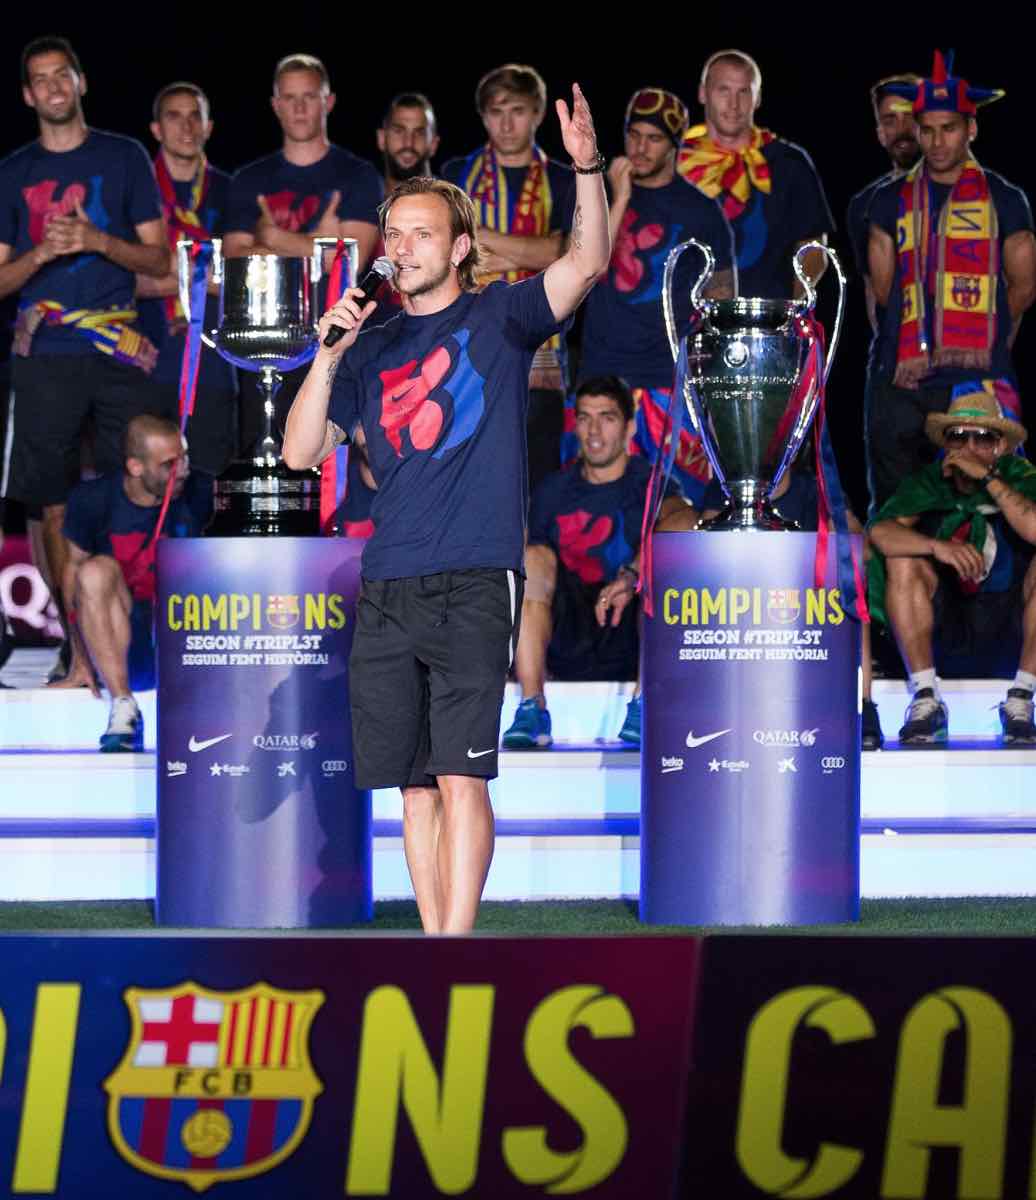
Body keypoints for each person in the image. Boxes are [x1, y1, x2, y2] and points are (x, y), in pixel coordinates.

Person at [282, 83, 610, 934]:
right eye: (393, 234)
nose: (402, 247)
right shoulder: (369, 345)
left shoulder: (500, 316)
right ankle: (434, 949)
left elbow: (585, 265)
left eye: (421, 233)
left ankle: (457, 950)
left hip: (474, 576)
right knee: (413, 787)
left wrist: (586, 169)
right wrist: (326, 356)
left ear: (461, 247)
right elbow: (300, 453)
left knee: (463, 775)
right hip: (390, 581)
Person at [0, 36, 170, 686]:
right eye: (40, 79)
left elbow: (159, 258)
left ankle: (134, 643)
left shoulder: (123, 156)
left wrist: (97, 239)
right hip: (46, 353)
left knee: (141, 490)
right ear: (28, 94)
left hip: (118, 346)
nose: (53, 87)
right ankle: (78, 655)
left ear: (80, 82)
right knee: (50, 507)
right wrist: (43, 252)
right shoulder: (13, 171)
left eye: (62, 75)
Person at [866, 52, 1036, 513]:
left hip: (975, 381)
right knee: (897, 507)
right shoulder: (887, 201)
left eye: (949, 129)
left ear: (971, 129)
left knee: (985, 506)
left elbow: (1023, 288)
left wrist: (983, 342)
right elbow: (883, 291)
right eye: (927, 130)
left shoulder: (1005, 199)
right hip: (902, 381)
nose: (937, 142)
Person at [502, 375, 693, 750]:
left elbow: (685, 521)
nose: (594, 431)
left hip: (630, 627)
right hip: (568, 630)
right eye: (585, 418)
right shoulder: (553, 490)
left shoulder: (650, 483)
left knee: (667, 558)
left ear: (630, 427)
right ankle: (532, 707)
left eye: (607, 418)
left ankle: (643, 703)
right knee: (530, 556)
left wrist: (633, 574)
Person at [577, 86, 735, 504]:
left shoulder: (701, 211)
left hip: (668, 380)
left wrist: (711, 380)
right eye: (633, 135)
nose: (640, 148)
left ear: (674, 145)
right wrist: (621, 197)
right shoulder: (598, 194)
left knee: (679, 505)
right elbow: (586, 267)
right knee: (601, 506)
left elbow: (721, 301)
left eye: (654, 139)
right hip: (603, 375)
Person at [224, 54, 384, 449]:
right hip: (264, 346)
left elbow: (349, 260)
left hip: (336, 343)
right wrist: (318, 244)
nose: (299, 108)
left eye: (309, 97)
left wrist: (272, 240)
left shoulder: (359, 175)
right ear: (275, 105)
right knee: (265, 456)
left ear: (328, 102)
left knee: (331, 467)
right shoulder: (248, 179)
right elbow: (234, 258)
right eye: (289, 98)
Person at [868, 384, 1036, 744]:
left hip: (1011, 628)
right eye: (958, 437)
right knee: (902, 557)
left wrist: (987, 479)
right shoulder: (930, 481)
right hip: (943, 627)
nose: (969, 448)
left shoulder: (1021, 476)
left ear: (1000, 446)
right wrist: (935, 546)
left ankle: (1021, 700)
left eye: (982, 438)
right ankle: (926, 699)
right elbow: (880, 533)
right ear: (946, 445)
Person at [441, 64, 575, 491]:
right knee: (472, 482)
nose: (506, 123)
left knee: (536, 483)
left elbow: (561, 254)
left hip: (541, 360)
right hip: (469, 353)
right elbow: (446, 258)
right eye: (496, 112)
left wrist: (482, 236)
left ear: (537, 113)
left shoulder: (562, 178)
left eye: (517, 111)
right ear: (483, 117)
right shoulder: (456, 173)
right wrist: (532, 250)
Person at [699, 463, 883, 748]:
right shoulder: (725, 487)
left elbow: (861, 548)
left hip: (806, 602)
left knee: (852, 581)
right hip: (746, 603)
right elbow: (704, 550)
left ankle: (863, 704)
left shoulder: (818, 487)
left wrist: (834, 540)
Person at [62, 414, 212, 751]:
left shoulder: (203, 493)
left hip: (187, 640)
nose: (182, 471)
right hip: (123, 641)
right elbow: (72, 579)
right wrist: (80, 657)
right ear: (135, 467)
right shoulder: (92, 500)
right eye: (169, 464)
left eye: (184, 459)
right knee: (93, 571)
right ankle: (124, 708)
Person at [136, 81, 236, 478]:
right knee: (144, 485)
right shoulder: (134, 188)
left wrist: (167, 274)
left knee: (209, 484)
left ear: (209, 127)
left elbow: (244, 279)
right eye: (174, 116)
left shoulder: (231, 191)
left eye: (196, 116)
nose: (187, 126)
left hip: (212, 362)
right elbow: (119, 280)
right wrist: (201, 277)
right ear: (156, 129)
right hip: (143, 357)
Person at [678, 49, 834, 299]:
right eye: (723, 90)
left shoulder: (789, 162)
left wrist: (787, 311)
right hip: (686, 319)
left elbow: (814, 251)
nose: (733, 104)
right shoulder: (678, 162)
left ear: (758, 98)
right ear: (702, 93)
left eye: (744, 91)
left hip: (769, 317)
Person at [378, 92, 440, 193]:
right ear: (381, 139)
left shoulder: (453, 200)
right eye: (398, 131)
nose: (408, 143)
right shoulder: (360, 198)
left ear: (434, 144)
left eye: (419, 133)